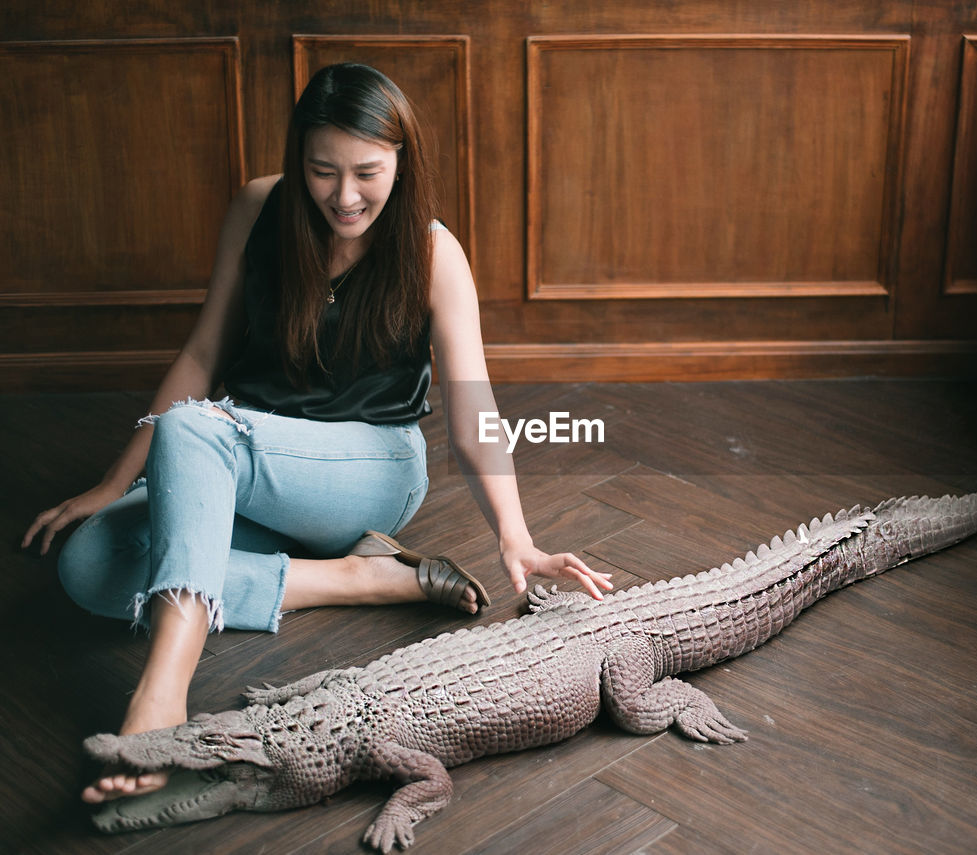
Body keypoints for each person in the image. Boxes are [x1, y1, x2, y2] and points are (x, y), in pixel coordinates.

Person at [21, 63, 612, 804]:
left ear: (402, 159)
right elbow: (203, 353)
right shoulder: (257, 210)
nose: (344, 195)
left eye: (367, 172)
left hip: (369, 467)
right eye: (322, 170)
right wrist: (114, 484)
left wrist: (515, 535)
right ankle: (354, 578)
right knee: (87, 565)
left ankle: (162, 699)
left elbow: (472, 413)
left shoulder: (433, 253)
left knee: (195, 431)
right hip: (247, 457)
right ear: (299, 157)